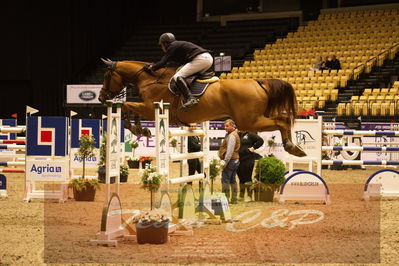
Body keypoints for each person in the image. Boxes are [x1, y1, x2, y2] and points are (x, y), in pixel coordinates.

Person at [146, 33, 214, 110]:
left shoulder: (172, 46)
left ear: (164, 44)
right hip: (207, 59)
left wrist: (152, 67)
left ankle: (191, 98)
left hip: (201, 59)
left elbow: (163, 62)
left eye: (161, 46)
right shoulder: (177, 46)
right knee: (186, 75)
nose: (162, 48)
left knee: (177, 77)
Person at [236, 131, 264, 201]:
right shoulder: (238, 134)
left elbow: (260, 141)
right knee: (241, 177)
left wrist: (253, 148)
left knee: (247, 177)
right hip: (239, 158)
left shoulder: (250, 134)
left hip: (248, 158)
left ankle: (249, 195)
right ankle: (241, 195)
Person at [218, 119, 240, 204]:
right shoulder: (232, 134)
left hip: (230, 161)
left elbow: (230, 151)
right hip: (235, 160)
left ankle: (225, 200)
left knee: (225, 180)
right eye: (224, 126)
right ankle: (234, 199)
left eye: (227, 126)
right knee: (232, 180)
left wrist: (225, 162)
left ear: (232, 126)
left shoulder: (231, 136)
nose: (225, 128)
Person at [187, 123, 202, 187]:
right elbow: (195, 146)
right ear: (189, 127)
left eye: (194, 126)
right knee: (191, 175)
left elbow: (197, 145)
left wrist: (198, 145)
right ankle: (188, 189)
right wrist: (200, 145)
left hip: (196, 157)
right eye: (191, 126)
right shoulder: (189, 136)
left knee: (201, 173)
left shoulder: (196, 135)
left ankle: (201, 188)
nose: (193, 127)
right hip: (191, 157)